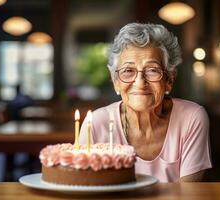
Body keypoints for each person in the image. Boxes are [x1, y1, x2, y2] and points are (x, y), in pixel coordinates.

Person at [79, 23, 212, 182]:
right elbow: (86, 190)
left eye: (152, 70)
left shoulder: (191, 118)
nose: (140, 82)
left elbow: (187, 194)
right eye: (128, 71)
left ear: (169, 79)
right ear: (115, 81)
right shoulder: (94, 124)